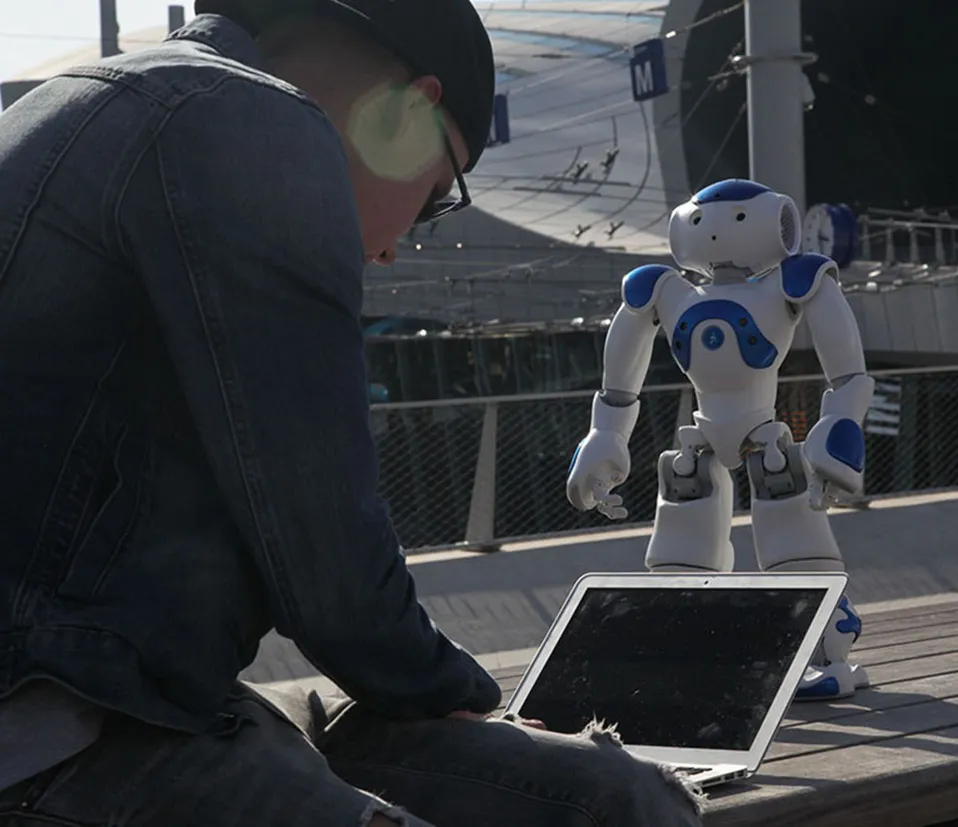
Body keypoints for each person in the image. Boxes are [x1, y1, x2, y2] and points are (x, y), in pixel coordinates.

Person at [0, 2, 704, 825]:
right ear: (409, 109)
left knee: (617, 793)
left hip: (120, 702)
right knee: (615, 805)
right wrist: (455, 692)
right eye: (437, 194)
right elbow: (322, 547)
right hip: (65, 740)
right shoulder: (248, 119)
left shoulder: (60, 103)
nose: (393, 247)